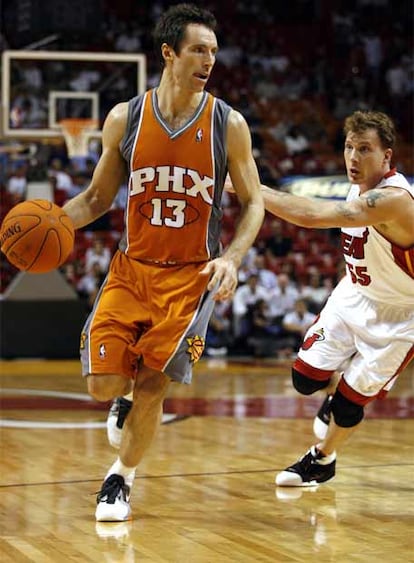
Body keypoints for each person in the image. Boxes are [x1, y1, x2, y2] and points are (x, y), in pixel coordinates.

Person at [62, 3, 264, 521]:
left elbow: (254, 202)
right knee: (102, 384)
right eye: (198, 49)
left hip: (191, 277)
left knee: (154, 386)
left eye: (214, 52)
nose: (209, 60)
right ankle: (119, 398)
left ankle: (120, 478)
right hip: (132, 270)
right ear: (169, 52)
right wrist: (52, 222)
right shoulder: (125, 117)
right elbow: (94, 200)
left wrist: (234, 259)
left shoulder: (229, 124)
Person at [228, 110, 414, 486]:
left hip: (402, 314)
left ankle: (322, 458)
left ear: (387, 157)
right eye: (349, 147)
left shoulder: (395, 200)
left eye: (365, 149)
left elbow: (314, 217)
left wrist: (251, 189)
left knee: (349, 406)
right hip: (354, 295)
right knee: (304, 380)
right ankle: (334, 393)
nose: (353, 158)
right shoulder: (356, 186)